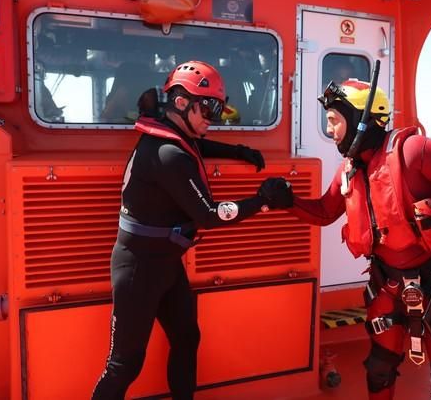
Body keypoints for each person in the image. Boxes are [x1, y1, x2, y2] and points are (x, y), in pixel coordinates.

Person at [92, 61, 290, 400]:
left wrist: (240, 152)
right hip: (139, 267)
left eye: (217, 108)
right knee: (124, 364)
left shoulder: (176, 138)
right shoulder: (167, 155)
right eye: (209, 108)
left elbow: (201, 146)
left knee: (186, 337)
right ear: (182, 103)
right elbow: (210, 216)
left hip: (165, 263)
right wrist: (262, 200)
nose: (212, 118)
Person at [286, 79, 431, 400]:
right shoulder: (349, 170)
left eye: (334, 121)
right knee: (378, 369)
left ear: (361, 119)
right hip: (387, 286)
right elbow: (324, 212)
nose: (330, 130)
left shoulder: (417, 151)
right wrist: (286, 200)